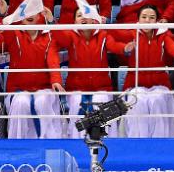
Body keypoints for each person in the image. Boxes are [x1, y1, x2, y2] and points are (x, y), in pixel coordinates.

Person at [118, 4, 174, 138]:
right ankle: (137, 141)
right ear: (138, 19)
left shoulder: (163, 34)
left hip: (159, 84)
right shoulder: (131, 33)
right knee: (137, 101)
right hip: (135, 84)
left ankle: (160, 141)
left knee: (158, 100)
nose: (147, 21)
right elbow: (111, 36)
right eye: (144, 17)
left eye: (151, 17)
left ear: (157, 20)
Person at [53, 7, 128, 138]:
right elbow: (59, 37)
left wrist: (125, 48)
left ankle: (107, 142)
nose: (83, 18)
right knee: (77, 103)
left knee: (102, 102)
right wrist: (51, 21)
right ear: (74, 21)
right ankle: (76, 141)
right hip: (76, 88)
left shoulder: (103, 34)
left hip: (101, 88)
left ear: (94, 20)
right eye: (79, 15)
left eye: (86, 15)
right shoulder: (70, 35)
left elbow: (114, 46)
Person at [0, 12, 64, 139]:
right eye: (26, 11)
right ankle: (18, 143)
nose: (30, 14)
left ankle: (48, 142)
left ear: (40, 16)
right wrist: (3, 14)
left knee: (42, 101)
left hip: (43, 87)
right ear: (21, 18)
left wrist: (56, 80)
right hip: (19, 88)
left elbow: (53, 60)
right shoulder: (14, 34)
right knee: (21, 103)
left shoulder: (48, 37)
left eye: (34, 11)